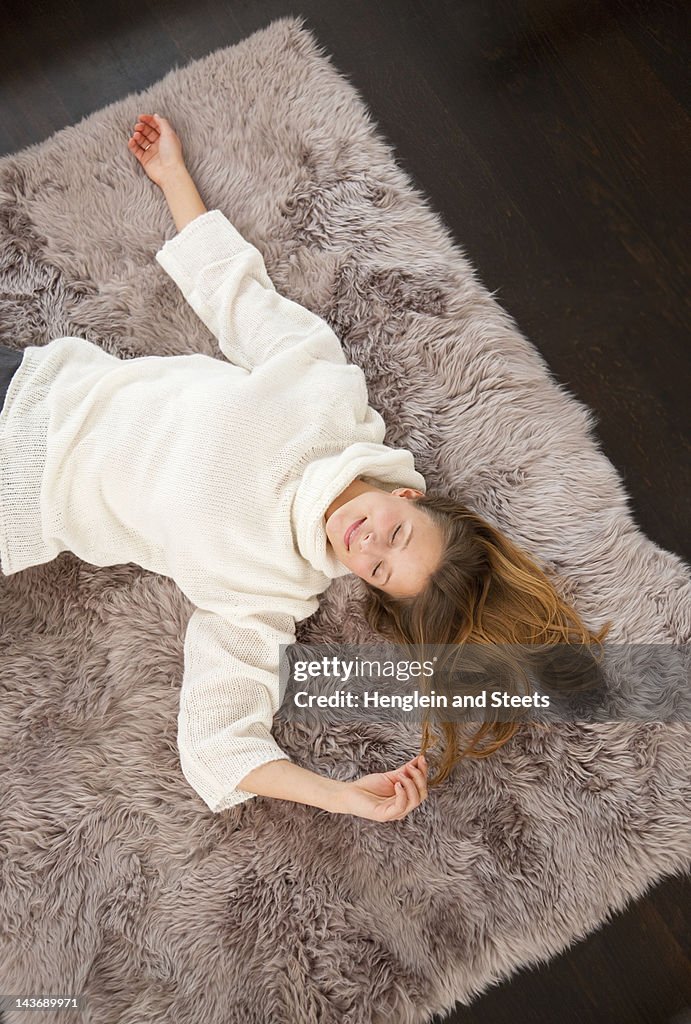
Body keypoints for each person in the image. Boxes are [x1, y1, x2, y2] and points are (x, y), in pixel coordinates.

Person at [0, 114, 609, 822]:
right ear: (410, 495)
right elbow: (236, 293)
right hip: (34, 387)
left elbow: (216, 743)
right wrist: (173, 177)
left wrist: (337, 794)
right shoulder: (325, 396)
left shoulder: (265, 594)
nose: (366, 545)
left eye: (378, 570)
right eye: (397, 534)